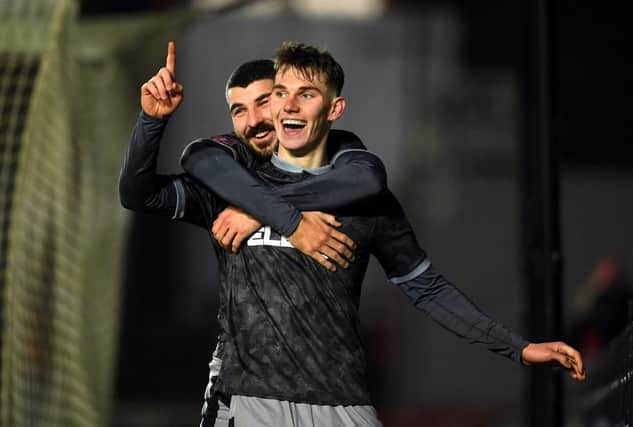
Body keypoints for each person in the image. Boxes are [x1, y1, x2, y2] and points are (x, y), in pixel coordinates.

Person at [175, 42, 586, 426]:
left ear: (334, 109)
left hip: (342, 401)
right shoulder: (237, 181)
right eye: (281, 92)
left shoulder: (360, 188)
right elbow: (178, 168)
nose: (290, 105)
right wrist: (153, 122)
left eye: (308, 94)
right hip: (251, 402)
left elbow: (427, 288)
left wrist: (518, 348)